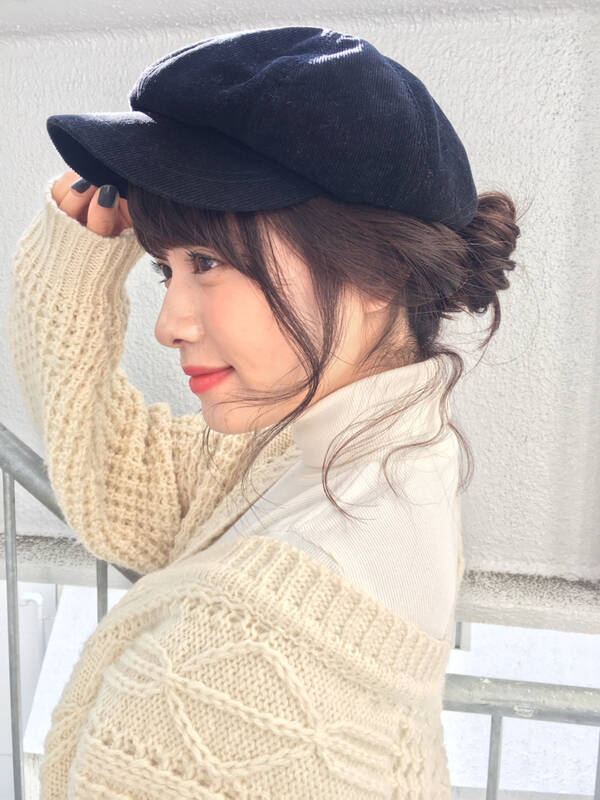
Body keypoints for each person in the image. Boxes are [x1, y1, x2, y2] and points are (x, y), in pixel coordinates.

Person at [6, 25, 522, 799]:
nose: (169, 323)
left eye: (207, 262)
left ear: (376, 271)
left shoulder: (230, 669)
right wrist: (69, 283)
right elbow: (135, 496)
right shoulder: (377, 450)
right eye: (167, 270)